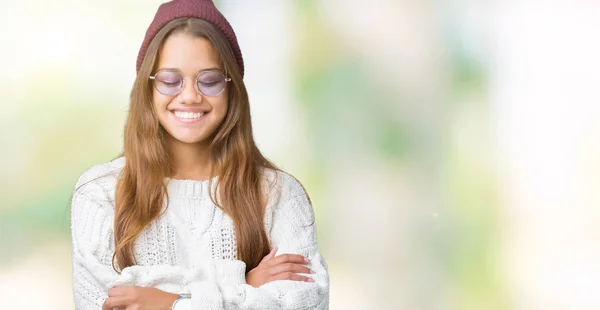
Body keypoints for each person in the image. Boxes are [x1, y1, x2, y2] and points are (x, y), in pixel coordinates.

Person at [69, 0, 330, 309]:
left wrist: (171, 303)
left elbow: (306, 304)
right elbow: (107, 304)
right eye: (170, 81)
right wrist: (244, 284)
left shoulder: (279, 194)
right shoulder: (100, 192)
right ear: (147, 88)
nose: (191, 96)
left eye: (209, 80)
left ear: (231, 88)